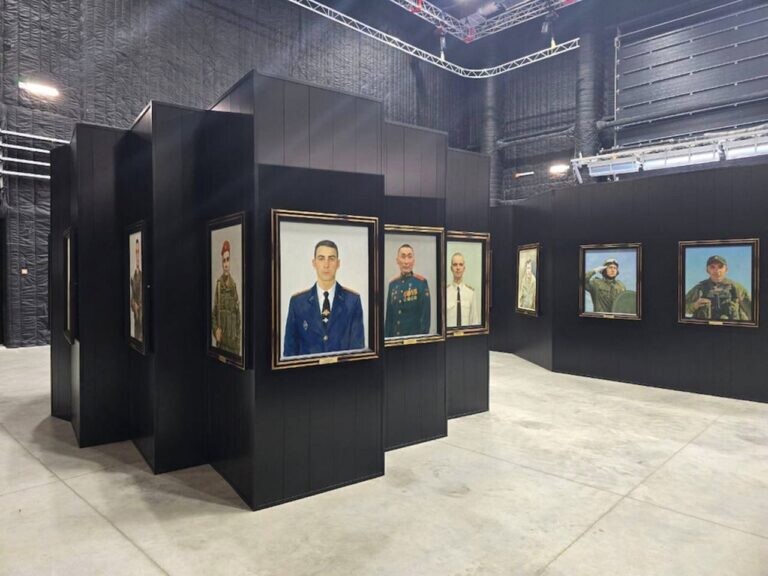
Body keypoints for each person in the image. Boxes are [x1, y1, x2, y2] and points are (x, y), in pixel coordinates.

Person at [284, 240, 365, 357]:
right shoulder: (298, 303)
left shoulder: (352, 301)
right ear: (314, 263)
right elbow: (290, 352)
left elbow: (357, 351)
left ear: (338, 263)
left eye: (331, 259)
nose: (326, 265)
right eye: (321, 258)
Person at [684, 255, 752, 321]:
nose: (717, 270)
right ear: (707, 270)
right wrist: (695, 305)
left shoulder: (736, 288)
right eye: (712, 267)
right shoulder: (699, 288)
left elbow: (752, 311)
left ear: (726, 269)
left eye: (720, 267)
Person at [385, 243, 430, 337]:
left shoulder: (421, 283)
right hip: (395, 341)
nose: (406, 261)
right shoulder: (392, 284)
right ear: (397, 260)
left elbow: (425, 319)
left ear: (413, 261)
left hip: (413, 341)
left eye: (409, 257)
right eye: (403, 257)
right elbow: (389, 319)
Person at [211, 240, 241, 355]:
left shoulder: (234, 286)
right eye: (224, 261)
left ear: (230, 261)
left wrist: (238, 341)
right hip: (222, 345)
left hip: (233, 347)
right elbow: (213, 315)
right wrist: (215, 331)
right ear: (222, 263)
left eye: (228, 260)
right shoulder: (219, 286)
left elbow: (238, 318)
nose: (226, 264)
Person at [447, 252, 480, 327]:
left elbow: (474, 321)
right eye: (455, 264)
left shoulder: (471, 293)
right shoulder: (445, 293)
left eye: (461, 264)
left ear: (464, 268)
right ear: (451, 268)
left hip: (466, 334)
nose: (458, 268)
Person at [130, 237, 143, 341]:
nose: (138, 255)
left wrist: (140, 306)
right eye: (136, 252)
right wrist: (134, 304)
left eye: (139, 252)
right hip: (137, 319)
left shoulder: (142, 275)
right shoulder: (133, 276)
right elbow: (131, 297)